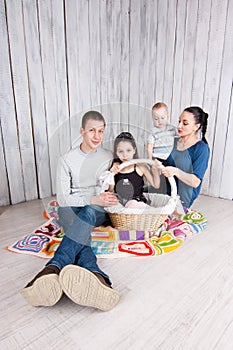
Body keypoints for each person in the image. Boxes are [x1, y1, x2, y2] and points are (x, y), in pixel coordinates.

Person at [21, 111, 120, 311]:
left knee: (90, 212)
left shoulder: (108, 156)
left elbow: (110, 185)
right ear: (82, 131)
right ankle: (98, 277)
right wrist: (92, 198)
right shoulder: (66, 159)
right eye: (92, 130)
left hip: (97, 208)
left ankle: (53, 267)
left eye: (101, 131)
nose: (97, 136)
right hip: (71, 208)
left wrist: (111, 185)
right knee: (82, 226)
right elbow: (63, 198)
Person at [156, 106, 210, 210]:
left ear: (196, 126)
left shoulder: (201, 149)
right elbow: (165, 164)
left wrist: (176, 171)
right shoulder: (174, 141)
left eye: (185, 123)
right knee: (134, 197)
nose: (179, 126)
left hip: (183, 195)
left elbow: (195, 182)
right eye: (179, 121)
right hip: (165, 187)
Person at [108, 132, 159, 208]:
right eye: (121, 151)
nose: (125, 155)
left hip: (137, 203)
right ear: (116, 153)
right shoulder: (116, 167)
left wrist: (155, 170)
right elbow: (110, 190)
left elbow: (156, 185)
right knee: (112, 203)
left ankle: (153, 212)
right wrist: (111, 174)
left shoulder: (140, 166)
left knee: (132, 203)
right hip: (121, 204)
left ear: (134, 150)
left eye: (128, 150)